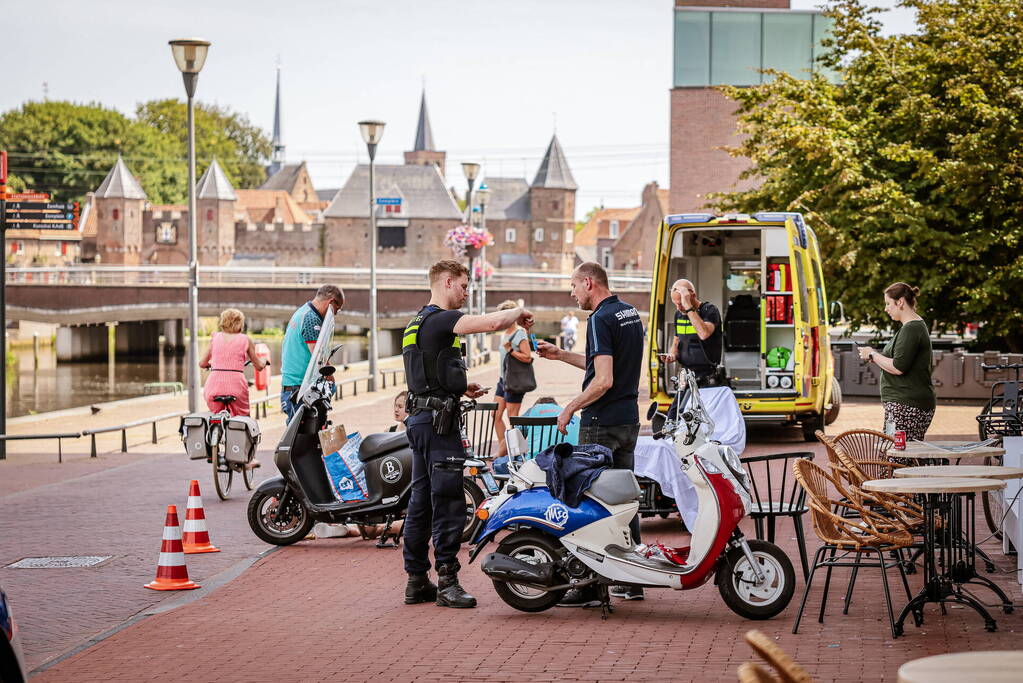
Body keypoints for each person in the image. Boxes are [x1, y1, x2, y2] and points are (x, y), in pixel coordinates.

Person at [402, 259, 534, 609]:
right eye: (463, 286)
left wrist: (458, 387)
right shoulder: (442, 319)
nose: (467, 292)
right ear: (446, 282)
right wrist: (518, 311)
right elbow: (492, 322)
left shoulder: (416, 322)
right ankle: (448, 581)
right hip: (437, 426)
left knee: (420, 502)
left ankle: (416, 581)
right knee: (447, 501)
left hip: (420, 419)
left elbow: (429, 370)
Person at [536, 261, 645, 605]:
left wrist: (569, 407)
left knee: (589, 500)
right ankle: (632, 579)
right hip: (628, 419)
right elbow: (604, 363)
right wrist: (562, 355)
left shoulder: (599, 318)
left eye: (573, 286)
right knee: (624, 502)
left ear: (588, 283)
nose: (571, 293)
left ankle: (590, 586)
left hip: (602, 424)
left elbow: (603, 380)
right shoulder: (629, 313)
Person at [857, 282, 936, 441]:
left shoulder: (911, 328)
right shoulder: (913, 326)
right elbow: (900, 361)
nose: (886, 308)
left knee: (895, 457)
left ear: (900, 302)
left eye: (888, 303)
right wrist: (877, 358)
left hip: (906, 404)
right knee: (902, 457)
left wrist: (872, 354)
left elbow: (898, 367)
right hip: (908, 403)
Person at [279, 285, 344, 424]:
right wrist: (330, 379)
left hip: (292, 386)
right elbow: (318, 358)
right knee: (302, 439)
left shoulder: (303, 312)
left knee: (299, 435)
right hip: (299, 389)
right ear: (331, 302)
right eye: (336, 310)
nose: (335, 314)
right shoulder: (311, 319)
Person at [199, 308, 268, 418]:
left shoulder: (215, 338)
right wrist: (264, 361)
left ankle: (214, 432)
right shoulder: (245, 339)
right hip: (236, 385)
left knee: (215, 417)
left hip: (214, 386)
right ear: (240, 323)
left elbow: (202, 363)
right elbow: (259, 366)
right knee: (243, 419)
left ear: (222, 322)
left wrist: (212, 365)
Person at [658, 279, 722, 387]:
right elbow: (676, 341)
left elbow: (703, 334)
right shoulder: (678, 314)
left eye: (680, 304)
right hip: (686, 375)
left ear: (693, 295)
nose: (678, 308)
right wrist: (672, 355)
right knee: (677, 405)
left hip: (707, 377)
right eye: (676, 304)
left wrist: (687, 306)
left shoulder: (710, 310)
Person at [493, 299, 533, 459]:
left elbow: (528, 357)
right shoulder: (506, 333)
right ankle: (506, 449)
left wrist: (510, 351)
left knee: (512, 420)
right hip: (503, 380)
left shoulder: (519, 333)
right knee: (495, 415)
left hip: (515, 382)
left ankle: (504, 454)